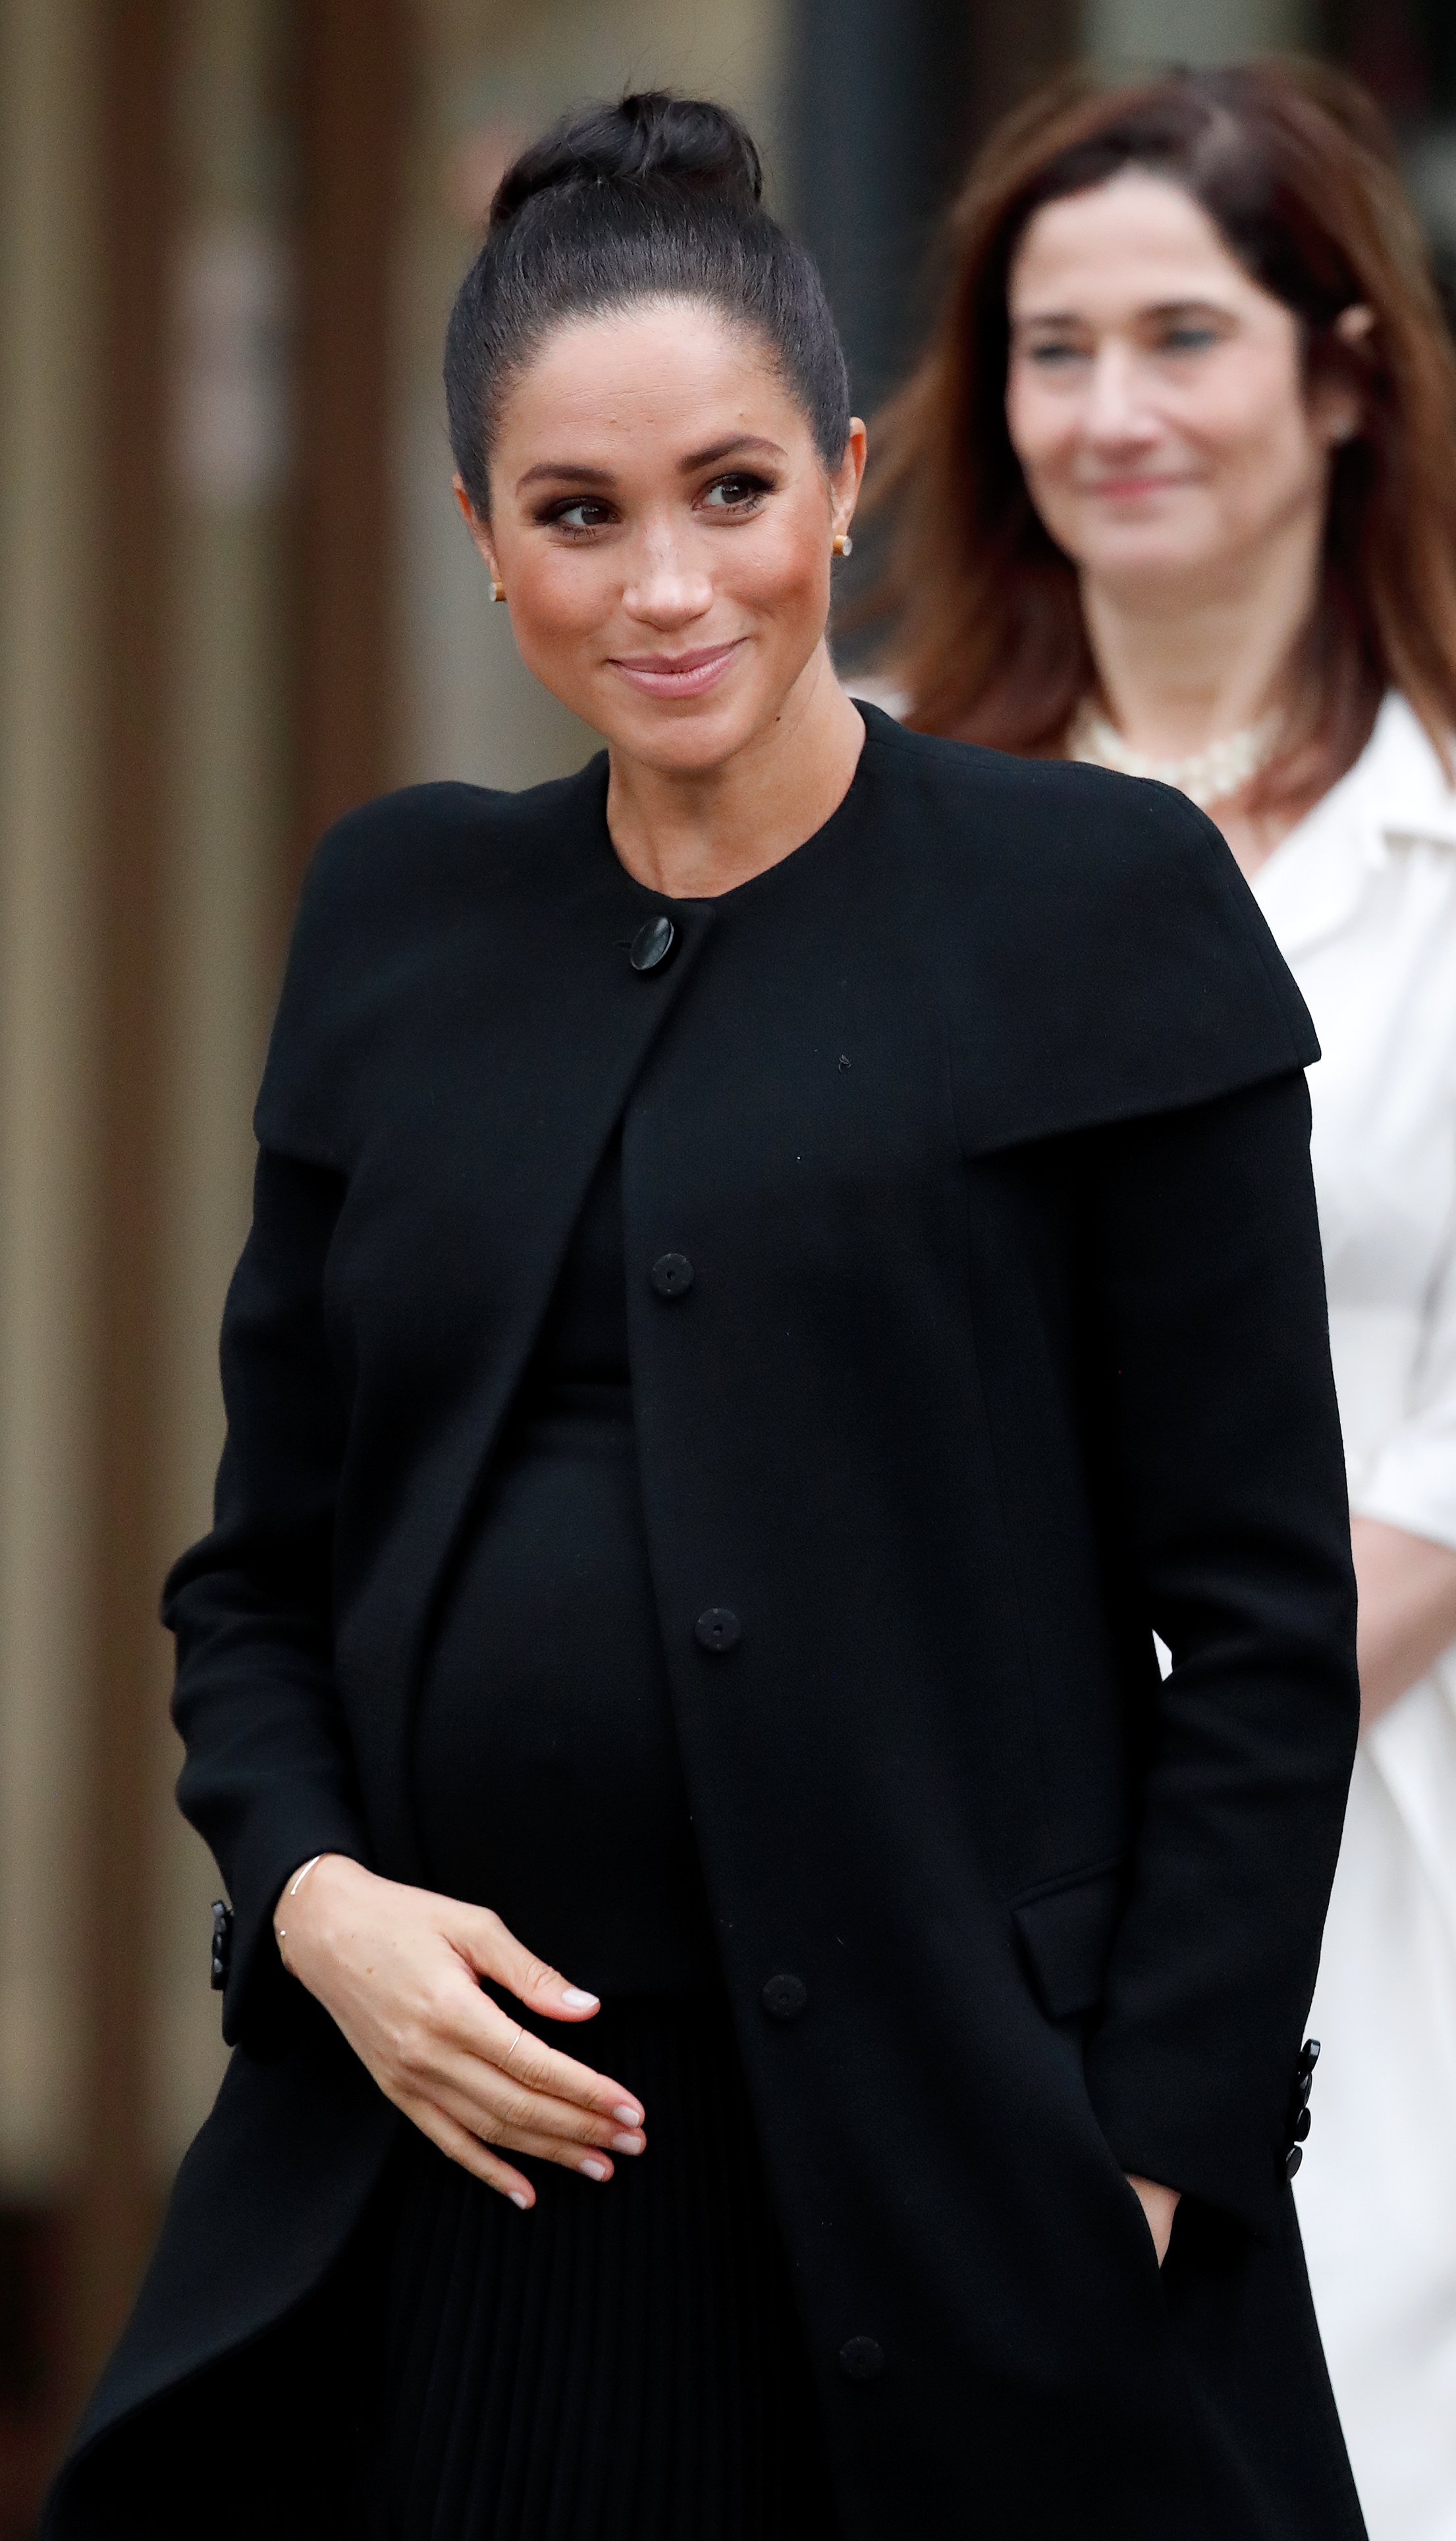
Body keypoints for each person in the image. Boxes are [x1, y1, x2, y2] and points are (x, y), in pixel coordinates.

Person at [46, 90, 1362, 2541]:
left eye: (732, 491)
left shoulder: (1099, 906)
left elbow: (1263, 1628)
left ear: (845, 479)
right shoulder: (398, 920)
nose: (667, 584)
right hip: (448, 2200)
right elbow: (259, 1586)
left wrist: (1147, 2166)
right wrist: (319, 1908)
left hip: (951, 2197)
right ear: (478, 536)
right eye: (577, 515)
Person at [865, 58, 1456, 2541]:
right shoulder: (848, 804)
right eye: (1049, 345)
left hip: (1391, 1828)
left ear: (1338, 370)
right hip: (919, 1854)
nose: (1109, 412)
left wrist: (1192, 1762)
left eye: (1179, 337)